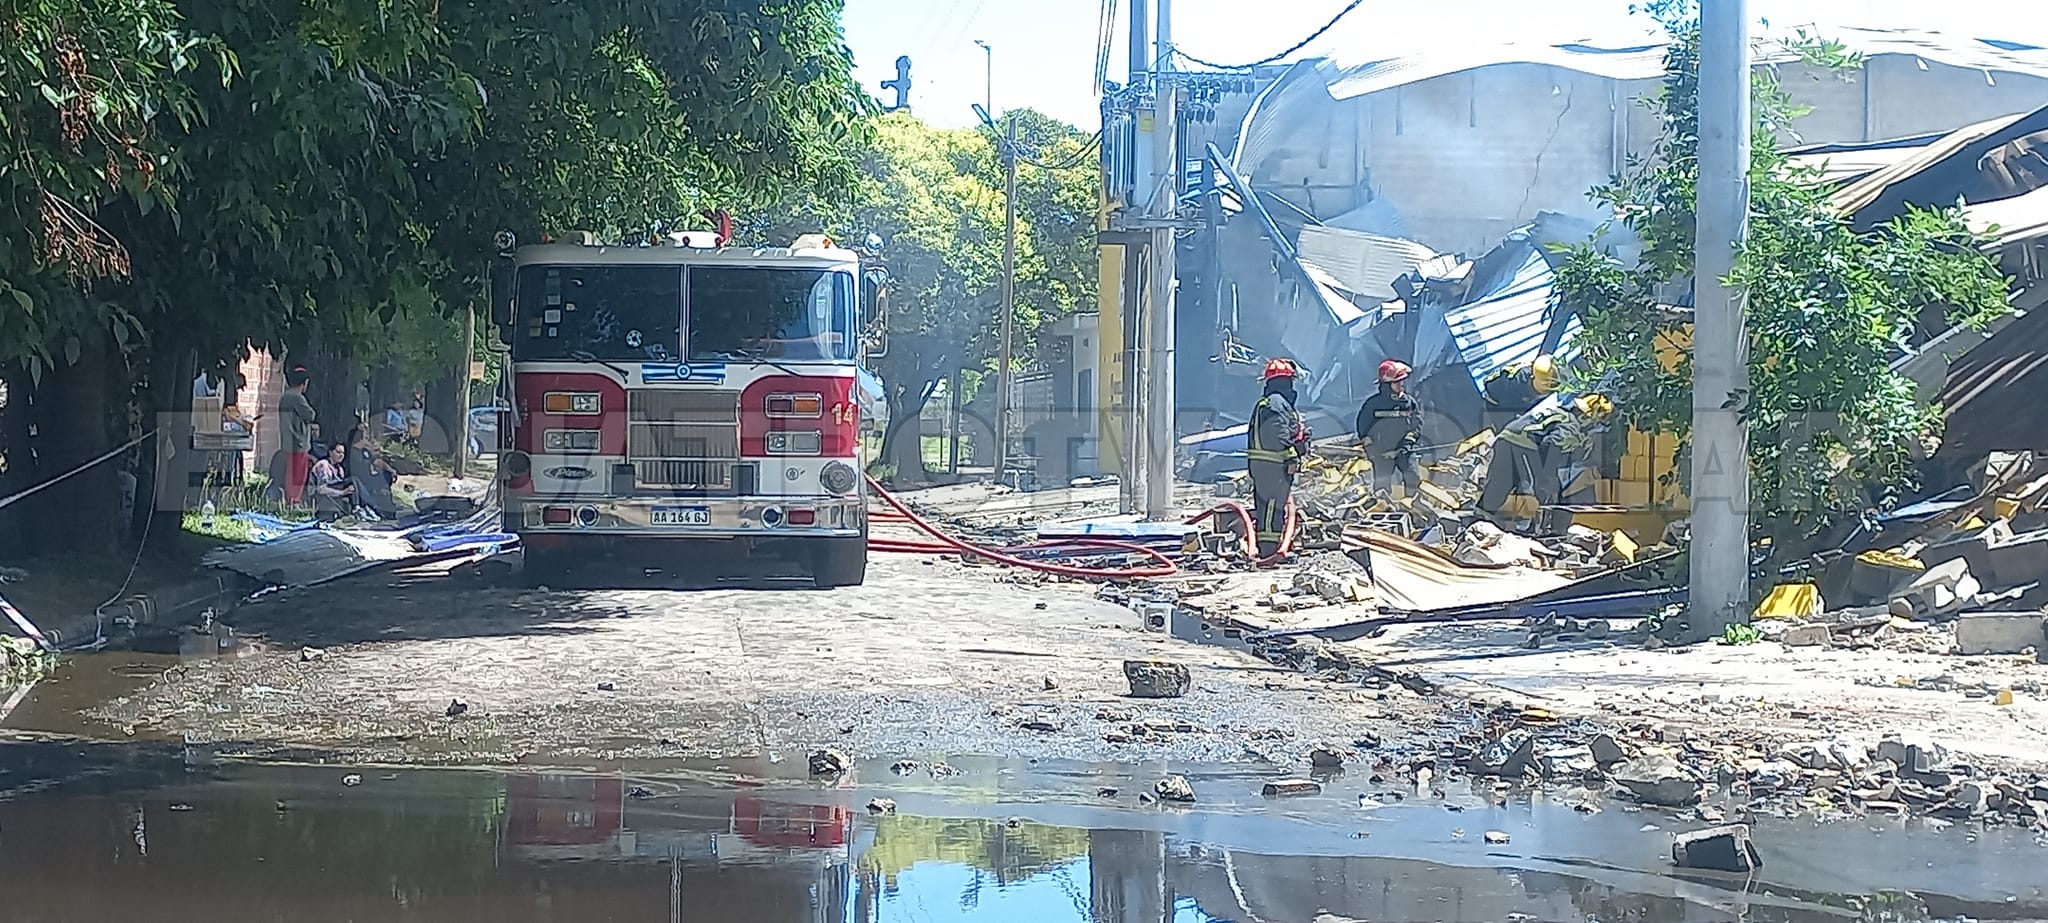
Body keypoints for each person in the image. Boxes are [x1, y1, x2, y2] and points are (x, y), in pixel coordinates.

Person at [1246, 357, 1312, 559]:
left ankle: (1270, 547)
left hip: (1267, 464)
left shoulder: (1273, 402)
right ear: (1284, 382)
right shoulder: (1276, 404)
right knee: (1272, 508)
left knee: (1269, 506)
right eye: (1290, 381)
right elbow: (1278, 434)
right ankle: (1270, 551)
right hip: (1273, 465)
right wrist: (1291, 457)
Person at [1355, 359, 1423, 497]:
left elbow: (1416, 426)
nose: (1402, 384)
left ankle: (1414, 509)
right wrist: (1372, 449)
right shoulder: (1373, 404)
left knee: (1412, 477)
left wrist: (1407, 445)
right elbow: (1363, 428)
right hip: (1382, 451)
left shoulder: (1409, 403)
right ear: (1386, 384)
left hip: (1405, 450)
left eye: (1402, 381)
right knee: (1382, 485)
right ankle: (1383, 509)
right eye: (1398, 382)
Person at [1480, 354, 1556, 432]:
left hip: (1516, 399)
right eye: (1549, 385)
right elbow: (1508, 410)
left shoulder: (1549, 376)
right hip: (1496, 402)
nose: (1550, 388)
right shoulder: (1515, 384)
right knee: (1509, 431)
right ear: (1533, 377)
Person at [277, 366, 317, 504]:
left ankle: (290, 500)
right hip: (298, 442)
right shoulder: (297, 398)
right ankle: (294, 500)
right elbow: (310, 415)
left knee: (290, 473)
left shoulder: (285, 397)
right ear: (304, 382)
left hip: (287, 441)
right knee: (298, 475)